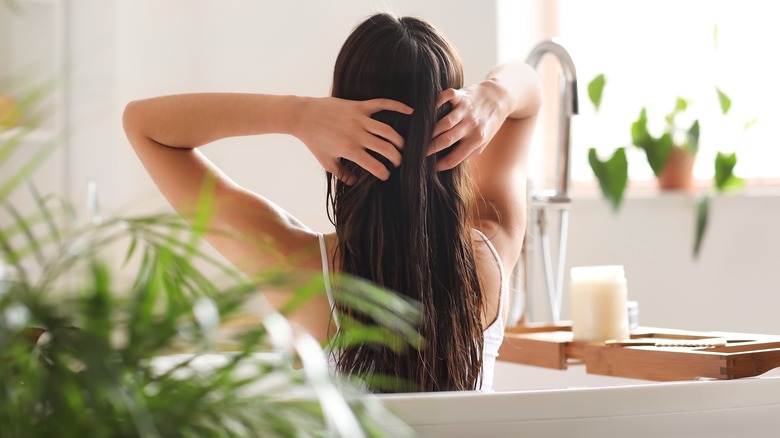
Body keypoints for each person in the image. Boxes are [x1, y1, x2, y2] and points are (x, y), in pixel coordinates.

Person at [123, 13, 541, 392]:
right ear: (461, 124)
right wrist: (494, 96)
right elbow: (530, 95)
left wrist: (298, 114)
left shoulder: (299, 270)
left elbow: (144, 125)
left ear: (336, 116)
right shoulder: (491, 257)